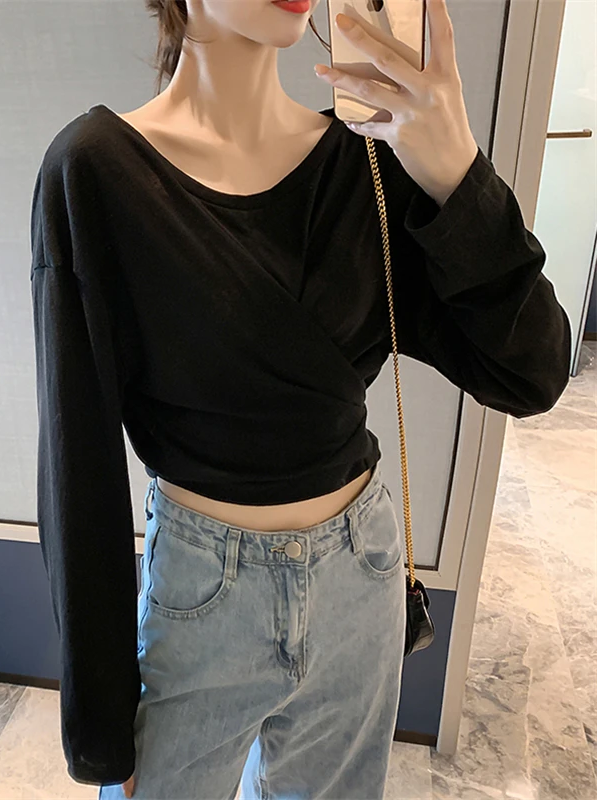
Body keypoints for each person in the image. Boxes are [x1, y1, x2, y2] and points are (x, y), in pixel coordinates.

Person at [29, 0, 572, 797]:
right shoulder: (96, 172)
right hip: (203, 597)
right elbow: (76, 463)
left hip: (361, 578)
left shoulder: (370, 166)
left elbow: (534, 371)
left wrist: (456, 168)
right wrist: (102, 728)